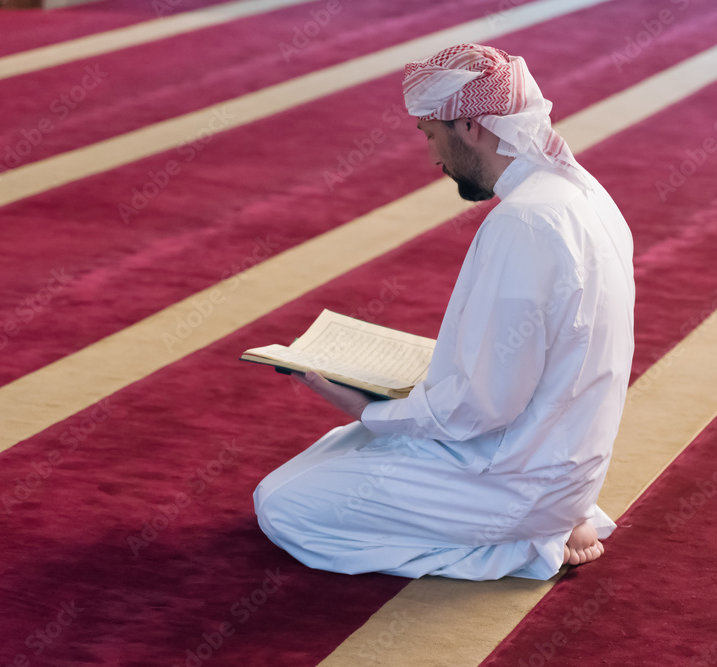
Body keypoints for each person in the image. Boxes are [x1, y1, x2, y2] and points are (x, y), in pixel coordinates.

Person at [253, 43, 634, 581]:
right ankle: (554, 517)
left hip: (510, 476)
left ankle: (529, 544)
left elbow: (482, 407)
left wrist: (367, 407)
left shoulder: (524, 222)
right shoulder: (585, 194)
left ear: (472, 126)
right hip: (555, 461)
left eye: (432, 136)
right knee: (329, 456)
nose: (434, 158)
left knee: (281, 505)